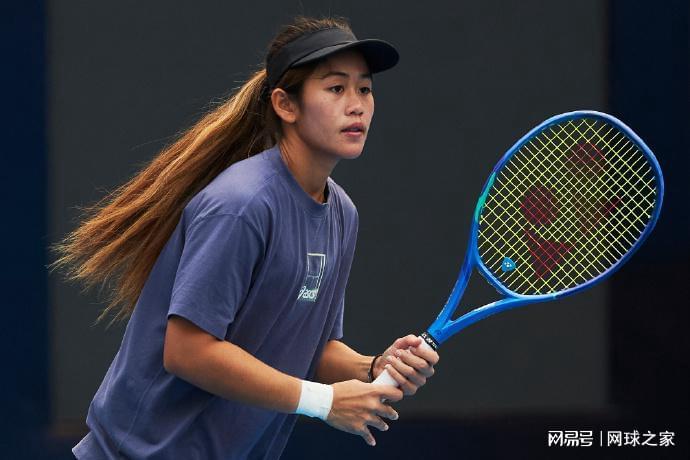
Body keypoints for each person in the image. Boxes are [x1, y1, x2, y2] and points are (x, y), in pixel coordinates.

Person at [51, 15, 439, 459]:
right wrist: (324, 401)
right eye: (336, 88)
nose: (357, 106)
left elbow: (311, 348)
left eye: (364, 89)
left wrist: (372, 366)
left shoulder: (342, 215)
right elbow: (187, 351)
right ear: (285, 105)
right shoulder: (241, 205)